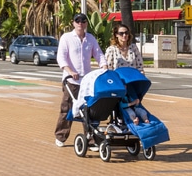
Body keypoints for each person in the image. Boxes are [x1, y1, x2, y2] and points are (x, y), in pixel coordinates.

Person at [55, 13, 106, 146]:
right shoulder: (66, 38)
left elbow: (99, 54)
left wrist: (104, 66)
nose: (80, 23)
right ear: (73, 23)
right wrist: (70, 71)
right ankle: (61, 136)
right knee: (67, 108)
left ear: (86, 24)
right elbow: (61, 57)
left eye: (83, 21)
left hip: (87, 82)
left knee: (89, 110)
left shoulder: (90, 38)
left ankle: (90, 139)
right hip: (71, 81)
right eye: (77, 21)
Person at [105, 24, 149, 124]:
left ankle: (141, 117)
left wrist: (142, 77)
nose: (124, 35)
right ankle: (122, 117)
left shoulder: (133, 48)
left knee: (136, 101)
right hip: (119, 81)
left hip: (133, 81)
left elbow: (140, 65)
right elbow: (109, 68)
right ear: (116, 35)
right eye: (121, 33)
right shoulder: (111, 50)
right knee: (121, 102)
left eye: (126, 33)